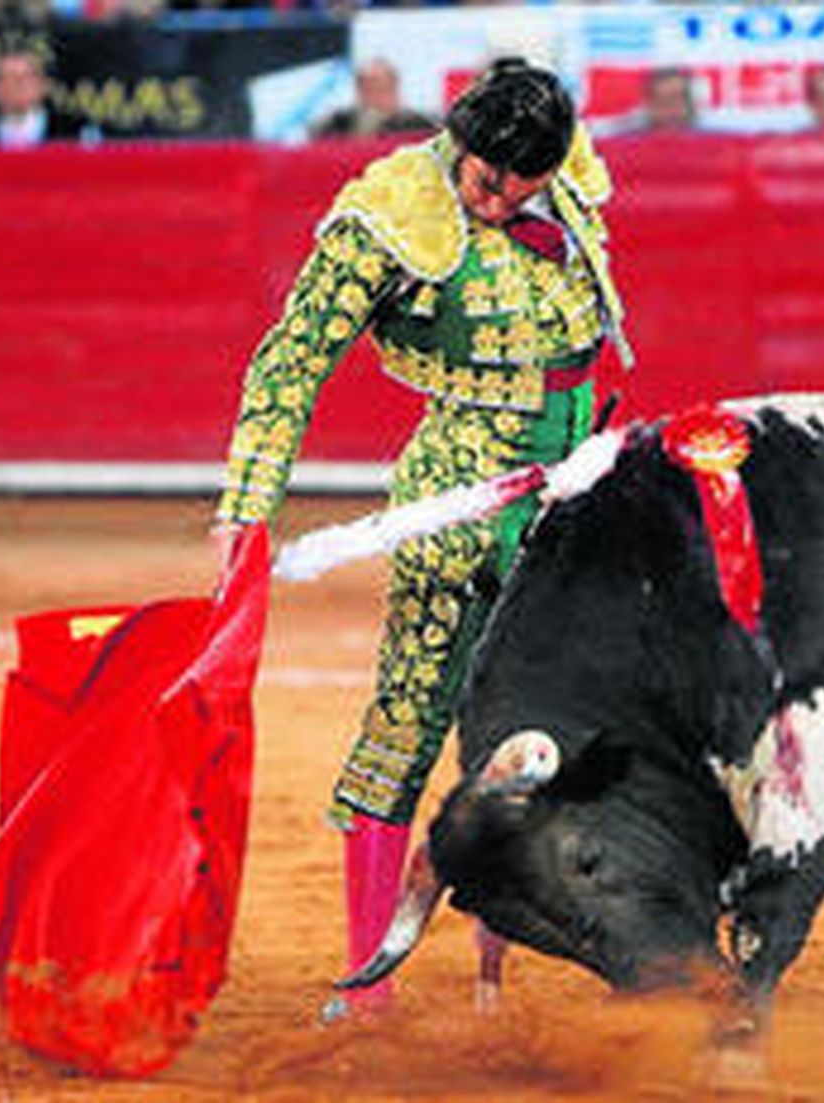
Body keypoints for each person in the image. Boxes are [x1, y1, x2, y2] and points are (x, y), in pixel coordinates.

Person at [212, 57, 629, 1009]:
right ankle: (368, 981)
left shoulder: (564, 171)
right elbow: (289, 362)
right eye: (484, 181)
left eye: (520, 189)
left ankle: (532, 937)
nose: (497, 203)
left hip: (575, 489)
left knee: (571, 721)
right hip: (462, 496)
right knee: (408, 721)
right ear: (458, 142)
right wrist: (245, 507)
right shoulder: (391, 211)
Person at [0, 48, 92, 147]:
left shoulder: (73, 132)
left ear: (44, 85)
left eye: (26, 77)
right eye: (8, 78)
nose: (17, 86)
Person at [309, 58, 437, 141]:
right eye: (369, 90)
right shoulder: (337, 124)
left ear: (395, 89)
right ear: (358, 92)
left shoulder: (419, 124)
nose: (376, 98)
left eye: (381, 89)